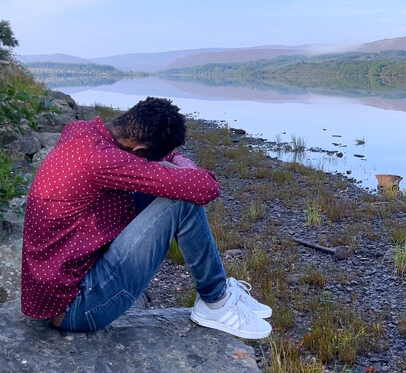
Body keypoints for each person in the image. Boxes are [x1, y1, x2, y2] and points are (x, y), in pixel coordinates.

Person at [20, 97, 272, 339]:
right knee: (182, 201)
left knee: (167, 188)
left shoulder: (82, 132)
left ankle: (221, 292)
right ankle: (215, 301)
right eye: (150, 159)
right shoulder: (101, 159)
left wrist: (169, 159)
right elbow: (206, 187)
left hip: (64, 289)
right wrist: (180, 167)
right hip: (77, 308)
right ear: (139, 150)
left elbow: (167, 162)